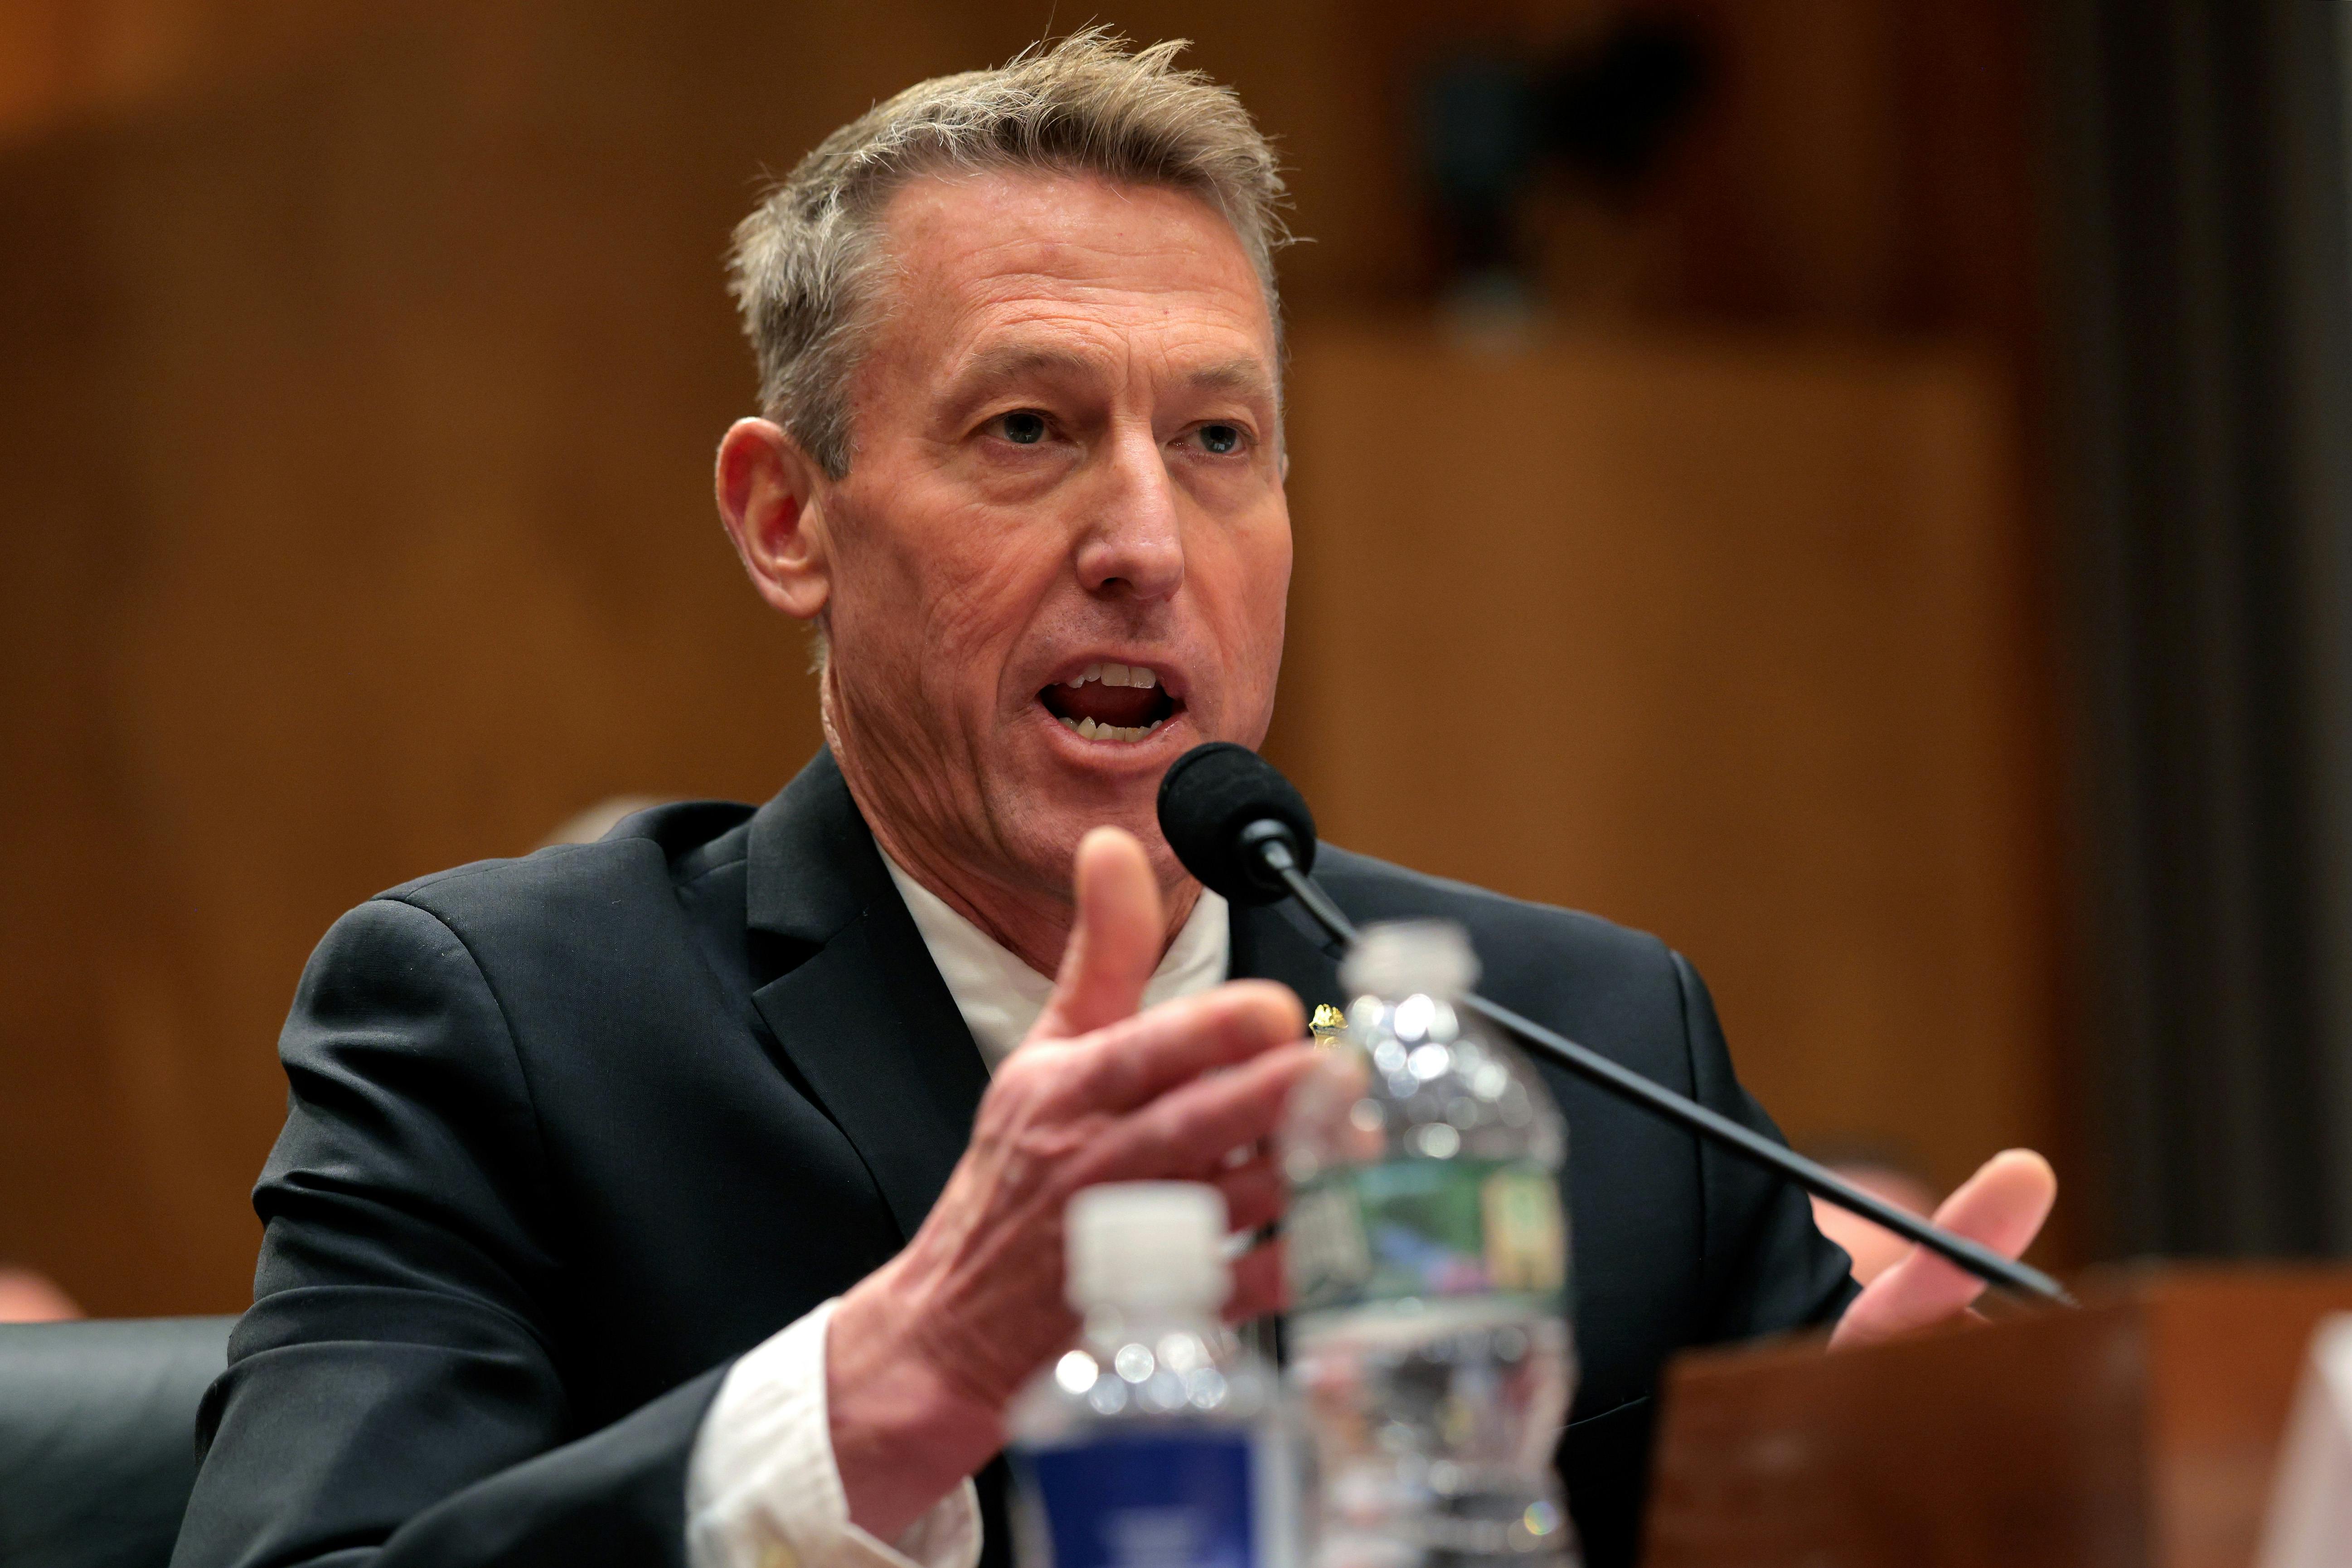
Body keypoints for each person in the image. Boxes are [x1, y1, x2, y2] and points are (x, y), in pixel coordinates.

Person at [169, 33, 2055, 1568]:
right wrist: (880, 1386)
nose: (1147, 542)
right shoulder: (507, 1027)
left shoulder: (1577, 1037)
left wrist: (1878, 1497)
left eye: (1218, 440)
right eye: (1028, 430)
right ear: (783, 517)